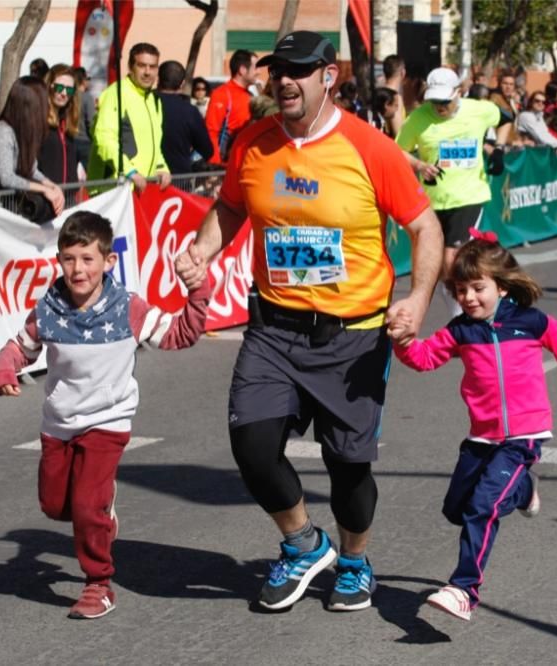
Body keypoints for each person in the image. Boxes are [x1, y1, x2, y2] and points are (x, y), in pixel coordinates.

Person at [174, 30, 443, 613]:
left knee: (348, 470)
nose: (284, 81)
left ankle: (353, 559)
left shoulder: (370, 147)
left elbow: (425, 226)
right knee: (252, 445)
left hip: (352, 337)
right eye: (278, 71)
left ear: (329, 77)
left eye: (298, 71)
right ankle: (302, 543)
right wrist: (202, 250)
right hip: (273, 329)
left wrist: (419, 298)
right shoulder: (253, 141)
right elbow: (230, 206)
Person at [0, 210, 210, 619]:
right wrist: (4, 368)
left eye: (88, 259)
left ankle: (98, 584)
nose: (78, 269)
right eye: (69, 259)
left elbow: (180, 334)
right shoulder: (49, 309)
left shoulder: (127, 308)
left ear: (108, 261)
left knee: (87, 505)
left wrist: (198, 293)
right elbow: (21, 347)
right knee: (56, 506)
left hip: (108, 420)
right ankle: (102, 515)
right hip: (59, 423)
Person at [389, 230, 557, 621]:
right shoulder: (461, 331)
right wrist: (403, 341)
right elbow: (423, 359)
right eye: (460, 290)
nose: (468, 297)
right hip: (482, 436)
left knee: (482, 507)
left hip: (523, 436)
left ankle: (463, 589)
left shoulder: (530, 322)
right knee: (457, 508)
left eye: (477, 288)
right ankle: (524, 489)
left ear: (502, 287)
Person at [396, 67, 503, 316]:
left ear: (458, 93)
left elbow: (506, 117)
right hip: (434, 201)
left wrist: (497, 148)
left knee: (451, 258)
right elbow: (397, 151)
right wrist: (419, 165)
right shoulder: (418, 118)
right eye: (435, 101)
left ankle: (462, 319)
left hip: (469, 196)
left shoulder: (479, 109)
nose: (439, 107)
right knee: (443, 267)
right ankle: (473, 308)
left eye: (444, 101)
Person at [88, 42, 170, 192]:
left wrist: (161, 167)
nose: (147, 72)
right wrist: (129, 171)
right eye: (142, 65)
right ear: (130, 67)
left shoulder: (154, 100)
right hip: (113, 190)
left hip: (141, 191)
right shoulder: (116, 93)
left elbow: (154, 145)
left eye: (152, 67)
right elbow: (104, 138)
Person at [0, 76, 65, 218]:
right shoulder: (3, 131)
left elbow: (32, 168)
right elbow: (7, 177)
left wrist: (52, 186)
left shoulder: (23, 130)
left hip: (10, 208)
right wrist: (44, 190)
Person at [157, 60, 213, 174]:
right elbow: (206, 150)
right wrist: (190, 161)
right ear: (182, 83)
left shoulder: (145, 103)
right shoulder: (190, 111)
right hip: (180, 178)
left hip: (148, 177)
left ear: (158, 79)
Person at [205, 49, 258, 166]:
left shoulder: (251, 96)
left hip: (247, 163)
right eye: (255, 67)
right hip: (225, 167)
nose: (258, 72)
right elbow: (211, 132)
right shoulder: (221, 94)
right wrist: (214, 165)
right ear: (242, 70)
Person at [38, 63, 80, 188]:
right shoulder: (39, 118)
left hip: (68, 197)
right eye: (59, 87)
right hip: (45, 196)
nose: (64, 93)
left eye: (69, 89)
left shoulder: (66, 122)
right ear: (49, 86)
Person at [72, 66, 96, 171]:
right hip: (86, 142)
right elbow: (91, 122)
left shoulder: (69, 96)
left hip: (71, 140)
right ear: (83, 80)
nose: (89, 82)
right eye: (88, 79)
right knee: (92, 176)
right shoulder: (87, 98)